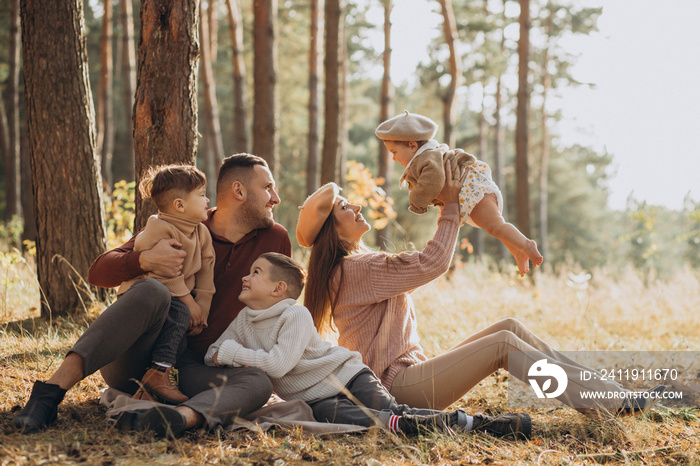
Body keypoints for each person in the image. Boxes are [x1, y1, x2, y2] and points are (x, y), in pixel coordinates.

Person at [296, 168, 665, 418]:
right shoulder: (356, 269)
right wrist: (452, 206)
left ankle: (607, 393)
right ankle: (609, 402)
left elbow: (425, 263)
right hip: (399, 389)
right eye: (345, 207)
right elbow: (433, 262)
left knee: (510, 326)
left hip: (408, 375)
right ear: (332, 228)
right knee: (503, 344)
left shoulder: (351, 267)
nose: (356, 206)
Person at [13, 154, 291, 438]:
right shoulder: (182, 222)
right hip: (137, 356)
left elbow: (279, 310)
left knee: (258, 382)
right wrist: (144, 260)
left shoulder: (275, 239)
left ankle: (175, 418)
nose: (276, 198)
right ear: (239, 191)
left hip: (195, 369)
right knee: (152, 290)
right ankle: (48, 395)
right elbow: (98, 273)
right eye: (268, 187)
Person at [205, 252, 531, 439]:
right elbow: (211, 353)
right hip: (316, 400)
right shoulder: (244, 321)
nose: (246, 278)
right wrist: (226, 354)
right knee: (378, 424)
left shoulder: (295, 315)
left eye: (255, 272)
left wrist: (233, 354)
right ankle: (455, 426)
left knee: (391, 411)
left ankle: (485, 424)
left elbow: (276, 365)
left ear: (278, 289)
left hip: (348, 375)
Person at [376, 111, 543, 276]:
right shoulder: (425, 157)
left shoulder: (427, 158)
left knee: (496, 226)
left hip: (475, 192)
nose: (393, 159)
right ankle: (518, 251)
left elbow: (433, 180)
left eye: (394, 152)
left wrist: (416, 201)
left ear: (412, 145)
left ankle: (527, 245)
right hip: (469, 195)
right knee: (494, 227)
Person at [117, 164, 214, 405]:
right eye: (201, 195)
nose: (207, 200)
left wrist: (202, 308)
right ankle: (159, 374)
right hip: (148, 295)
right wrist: (189, 303)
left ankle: (152, 386)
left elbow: (206, 272)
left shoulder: (201, 232)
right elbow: (164, 274)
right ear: (179, 205)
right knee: (179, 313)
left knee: (179, 338)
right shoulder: (158, 228)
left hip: (177, 299)